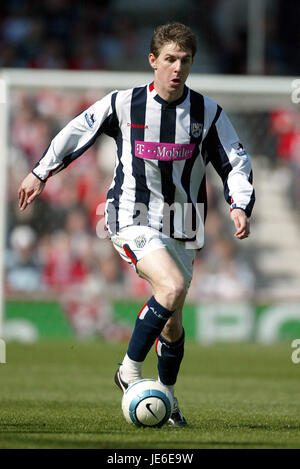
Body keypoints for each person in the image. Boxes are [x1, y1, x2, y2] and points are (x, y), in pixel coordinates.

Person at [18, 22, 255, 427]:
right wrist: (41, 172)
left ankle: (167, 397)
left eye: (185, 60)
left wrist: (240, 204)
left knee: (174, 323)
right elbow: (78, 129)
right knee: (172, 287)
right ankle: (128, 369)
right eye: (169, 60)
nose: (177, 68)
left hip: (184, 223)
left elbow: (235, 161)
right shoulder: (123, 104)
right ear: (153, 61)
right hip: (131, 216)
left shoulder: (207, 112)